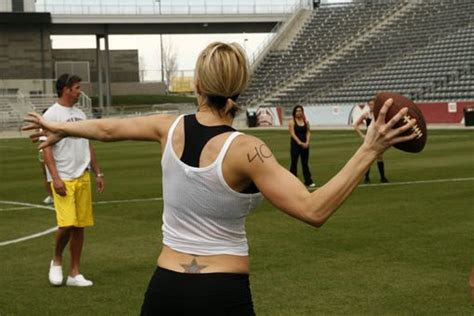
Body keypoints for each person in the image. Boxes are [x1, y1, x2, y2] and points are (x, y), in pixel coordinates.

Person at [24, 42, 416, 314]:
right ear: (239, 88)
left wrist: (63, 129)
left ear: (197, 85)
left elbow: (108, 130)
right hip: (220, 294)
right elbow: (313, 210)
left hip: (165, 289)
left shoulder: (168, 125)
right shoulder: (248, 150)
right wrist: (370, 148)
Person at [41, 73, 105, 287]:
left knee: (79, 226)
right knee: (66, 224)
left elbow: (88, 144)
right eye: (77, 88)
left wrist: (98, 172)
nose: (80, 92)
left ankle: (74, 273)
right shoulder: (51, 114)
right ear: (67, 89)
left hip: (82, 176)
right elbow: (46, 149)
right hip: (64, 178)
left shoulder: (80, 114)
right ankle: (56, 260)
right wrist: (55, 178)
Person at [353, 98, 390, 184]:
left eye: (373, 104)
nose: (371, 106)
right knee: (367, 157)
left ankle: (383, 177)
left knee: (380, 157)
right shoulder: (366, 115)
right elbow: (355, 125)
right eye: (370, 104)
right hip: (369, 138)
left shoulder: (379, 115)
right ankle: (366, 177)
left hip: (378, 137)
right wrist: (362, 135)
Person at [288, 105, 316, 188]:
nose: (299, 112)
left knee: (305, 163)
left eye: (300, 111)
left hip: (305, 145)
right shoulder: (292, 122)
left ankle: (308, 181)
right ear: (294, 112)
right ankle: (292, 182)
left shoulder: (306, 121)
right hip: (295, 145)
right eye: (297, 111)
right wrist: (300, 143)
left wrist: (307, 142)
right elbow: (292, 134)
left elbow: (308, 132)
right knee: (294, 163)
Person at [39, 108, 53, 205]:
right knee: (48, 176)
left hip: (54, 152)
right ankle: (51, 195)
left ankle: (53, 195)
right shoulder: (44, 126)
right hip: (45, 153)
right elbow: (43, 142)